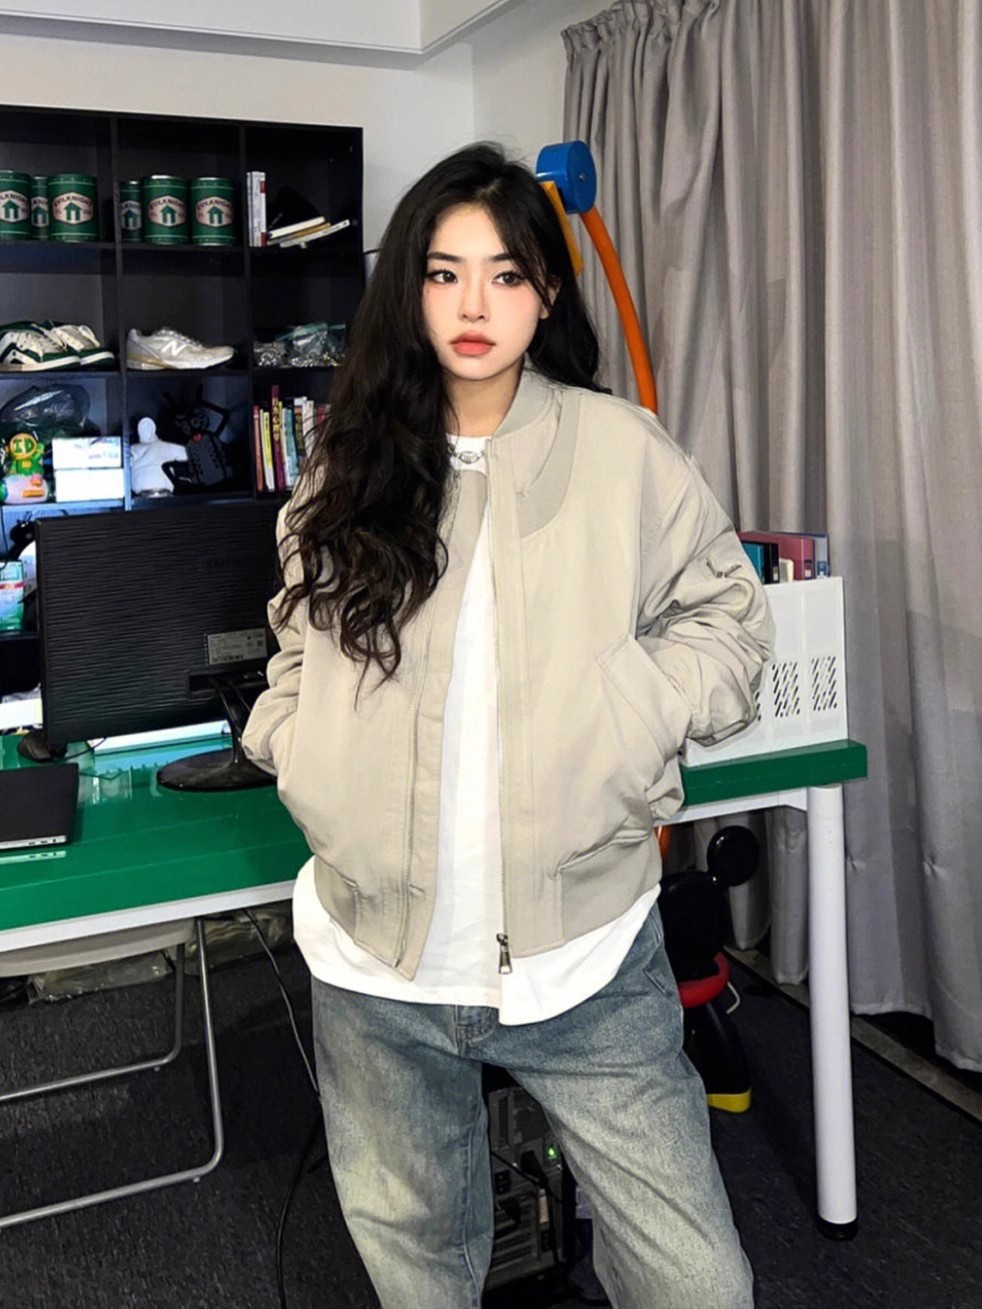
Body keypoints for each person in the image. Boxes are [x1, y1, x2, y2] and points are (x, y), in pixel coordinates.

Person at [242, 142, 773, 1309]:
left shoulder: (623, 450)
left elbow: (728, 624)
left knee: (696, 1281)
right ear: (410, 292)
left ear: (545, 292)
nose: (474, 305)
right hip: (374, 966)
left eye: (505, 274)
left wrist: (628, 719)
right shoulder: (346, 464)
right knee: (418, 1271)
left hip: (584, 956)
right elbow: (293, 639)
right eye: (444, 273)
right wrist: (299, 745)